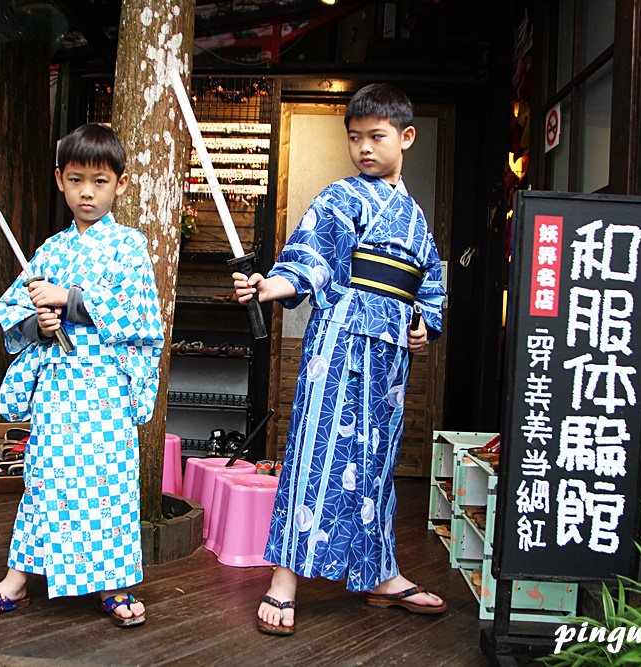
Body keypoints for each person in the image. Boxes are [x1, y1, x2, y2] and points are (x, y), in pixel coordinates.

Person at [232, 83, 447, 635]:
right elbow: (308, 263)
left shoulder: (417, 219)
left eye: (376, 137)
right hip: (340, 344)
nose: (364, 149)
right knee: (316, 453)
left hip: (391, 357)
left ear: (407, 137)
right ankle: (283, 581)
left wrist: (424, 326)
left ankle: (381, 575)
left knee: (377, 464)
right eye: (355, 139)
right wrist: (267, 287)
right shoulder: (339, 198)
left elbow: (431, 287)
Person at [0, 123, 164, 628]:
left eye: (99, 180)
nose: (87, 192)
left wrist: (68, 300)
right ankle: (17, 579)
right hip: (57, 386)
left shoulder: (131, 246)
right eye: (76, 180)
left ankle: (114, 583)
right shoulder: (49, 250)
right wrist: (39, 323)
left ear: (121, 184)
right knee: (44, 479)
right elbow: (14, 310)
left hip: (106, 387)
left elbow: (141, 316)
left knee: (110, 482)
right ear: (59, 181)